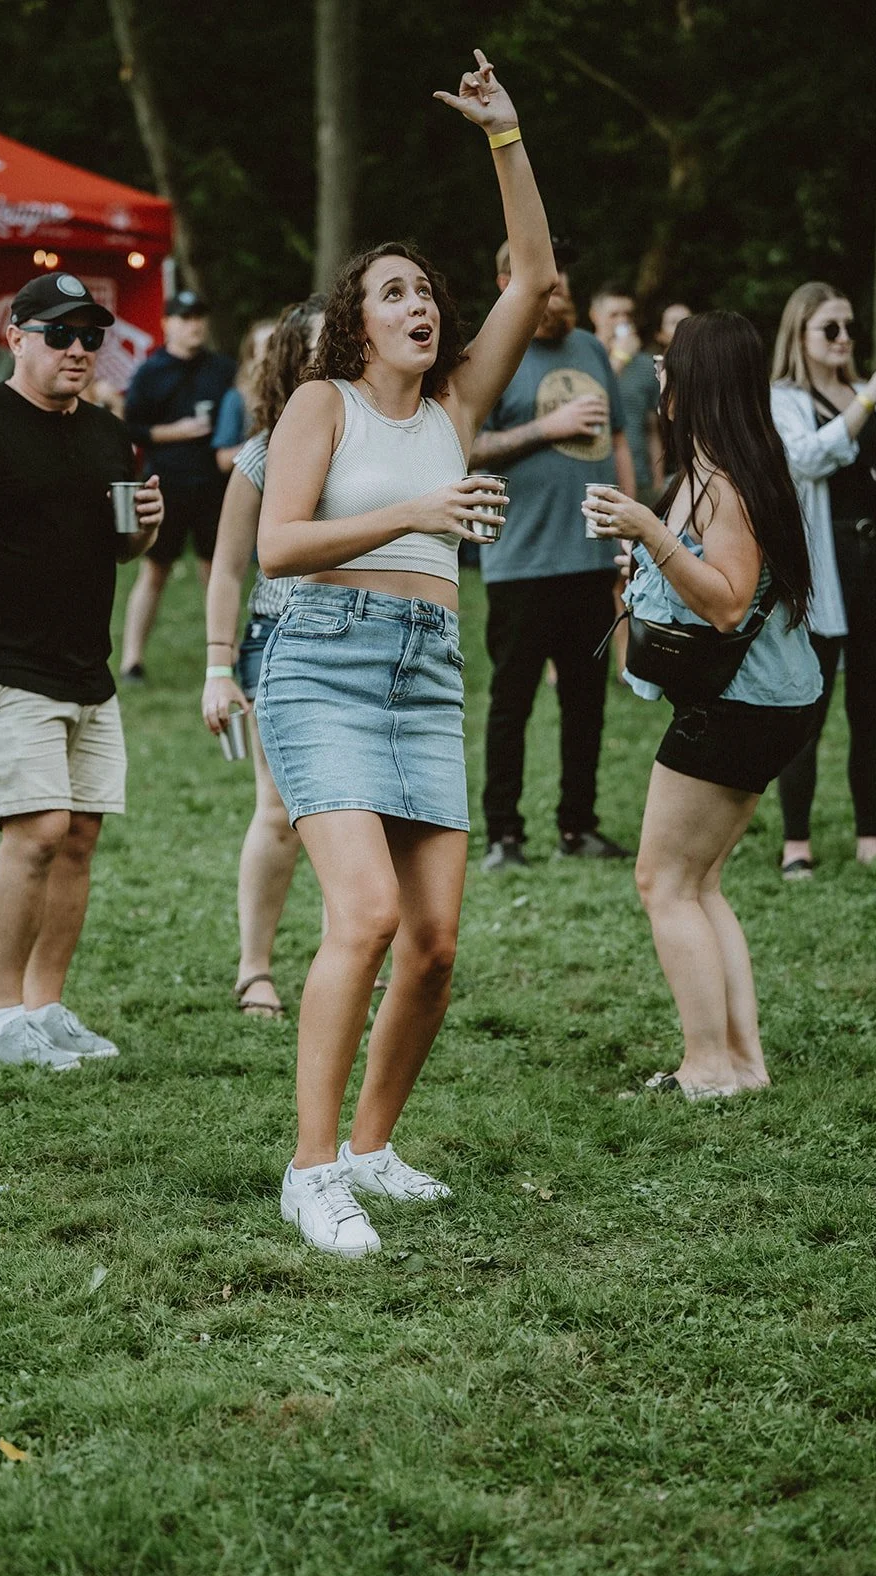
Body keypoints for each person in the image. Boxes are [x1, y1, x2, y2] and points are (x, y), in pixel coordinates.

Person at [253, 49, 557, 1256]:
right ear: (352, 319)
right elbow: (280, 545)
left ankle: (373, 1148)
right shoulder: (321, 404)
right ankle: (310, 1168)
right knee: (367, 913)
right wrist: (418, 513)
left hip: (428, 668)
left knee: (434, 945)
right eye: (394, 292)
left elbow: (532, 272)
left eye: (427, 291)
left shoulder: (456, 412)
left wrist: (506, 138)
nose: (419, 305)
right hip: (320, 660)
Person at [0, 271, 164, 1070]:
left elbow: (115, 545)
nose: (79, 350)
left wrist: (145, 531)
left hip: (87, 664)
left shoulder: (106, 432)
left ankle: (45, 1008)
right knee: (38, 830)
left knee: (79, 836)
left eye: (91, 337)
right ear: (16, 337)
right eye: (60, 335)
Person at [584, 311, 821, 1102]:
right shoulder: (722, 469)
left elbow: (724, 605)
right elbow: (706, 582)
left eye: (667, 364)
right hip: (763, 701)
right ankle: (741, 1064)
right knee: (700, 881)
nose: (656, 374)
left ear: (697, 383)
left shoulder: (724, 483)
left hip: (740, 707)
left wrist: (649, 532)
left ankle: (707, 1066)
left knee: (662, 881)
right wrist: (646, 549)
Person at [470, 248, 637, 869]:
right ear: (506, 284)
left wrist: (629, 528)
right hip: (520, 564)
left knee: (587, 703)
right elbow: (465, 447)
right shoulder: (492, 356)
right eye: (543, 283)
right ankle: (503, 836)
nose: (557, 292)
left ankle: (579, 827)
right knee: (512, 702)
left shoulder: (592, 349)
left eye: (561, 282)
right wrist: (549, 426)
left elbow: (617, 441)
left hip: (590, 561)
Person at [201, 296, 326, 1020]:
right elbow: (225, 569)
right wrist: (219, 667)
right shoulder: (262, 451)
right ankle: (256, 971)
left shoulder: (383, 441)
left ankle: (359, 957)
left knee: (366, 813)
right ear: (285, 361)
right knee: (278, 814)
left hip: (372, 643)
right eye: (311, 347)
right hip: (279, 640)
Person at [770, 282, 876, 879]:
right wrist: (867, 401)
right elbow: (804, 459)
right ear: (800, 335)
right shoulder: (784, 399)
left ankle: (871, 838)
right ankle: (796, 842)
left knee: (872, 709)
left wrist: (875, 403)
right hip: (824, 572)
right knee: (808, 709)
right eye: (831, 328)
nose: (846, 338)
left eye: (850, 327)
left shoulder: (866, 394)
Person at [118, 289, 235, 681]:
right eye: (185, 318)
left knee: (215, 571)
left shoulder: (222, 369)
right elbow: (131, 427)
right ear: (169, 324)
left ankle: (224, 658)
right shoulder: (151, 371)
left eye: (199, 317)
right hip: (165, 483)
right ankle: (131, 659)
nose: (194, 325)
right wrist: (177, 432)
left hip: (214, 485)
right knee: (155, 571)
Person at [589, 285, 664, 504]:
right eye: (614, 315)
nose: (622, 321)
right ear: (595, 316)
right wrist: (620, 357)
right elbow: (592, 397)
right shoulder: (583, 356)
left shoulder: (644, 365)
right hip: (596, 479)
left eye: (628, 315)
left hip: (641, 481)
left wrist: (658, 482)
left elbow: (652, 429)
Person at [212, 317, 277, 474]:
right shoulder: (237, 398)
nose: (275, 352)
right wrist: (263, 446)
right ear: (252, 357)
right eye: (269, 346)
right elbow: (223, 460)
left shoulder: (297, 391)